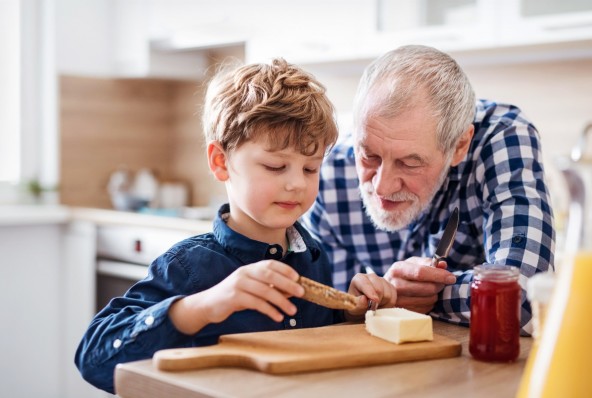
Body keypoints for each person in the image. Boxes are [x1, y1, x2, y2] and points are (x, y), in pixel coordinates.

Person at [75, 58, 396, 394]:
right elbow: (92, 358)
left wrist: (353, 314)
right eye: (275, 166)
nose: (296, 184)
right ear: (220, 162)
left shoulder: (314, 255)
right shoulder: (188, 266)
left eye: (310, 169)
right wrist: (201, 306)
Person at [302, 45, 556, 336]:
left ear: (460, 146)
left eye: (410, 163)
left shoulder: (502, 138)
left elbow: (524, 298)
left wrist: (413, 297)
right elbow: (327, 311)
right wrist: (361, 302)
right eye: (369, 155)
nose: (382, 186)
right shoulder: (332, 172)